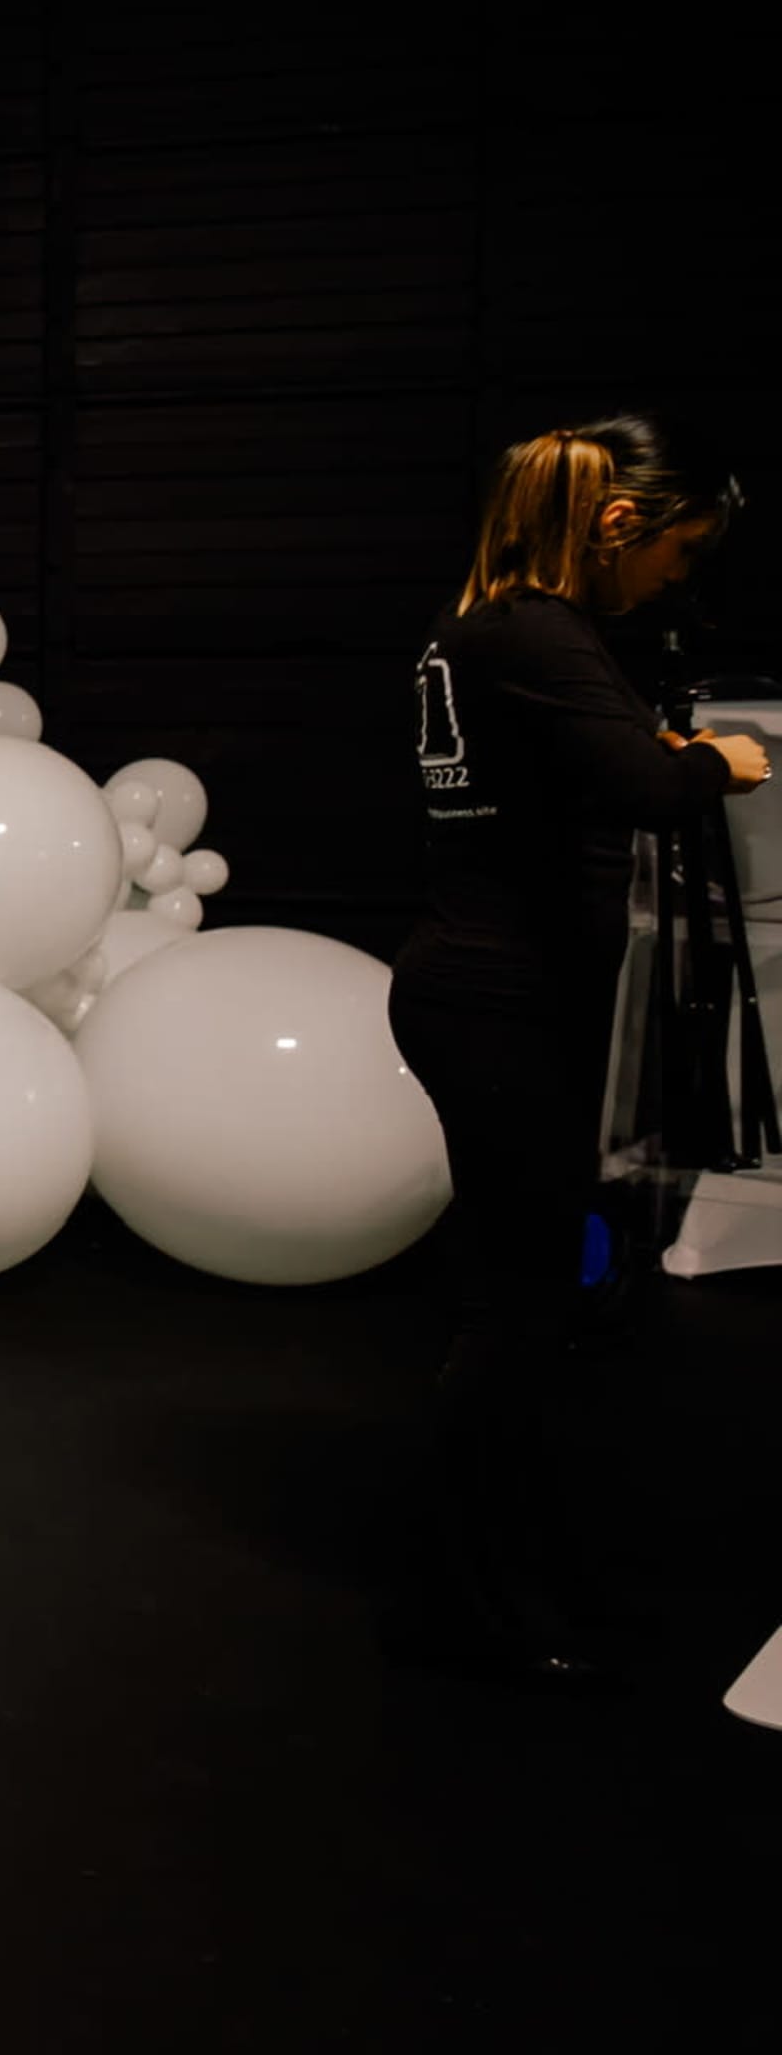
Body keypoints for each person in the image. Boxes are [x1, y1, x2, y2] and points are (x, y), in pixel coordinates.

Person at [387, 414, 764, 1681]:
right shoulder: (539, 632)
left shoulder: (487, 631)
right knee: (521, 1306)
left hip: (494, 991)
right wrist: (719, 758)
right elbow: (650, 792)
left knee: (528, 1297)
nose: (677, 578)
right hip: (499, 1000)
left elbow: (572, 772)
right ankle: (463, 1587)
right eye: (676, 554)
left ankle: (499, 1557)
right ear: (616, 524)